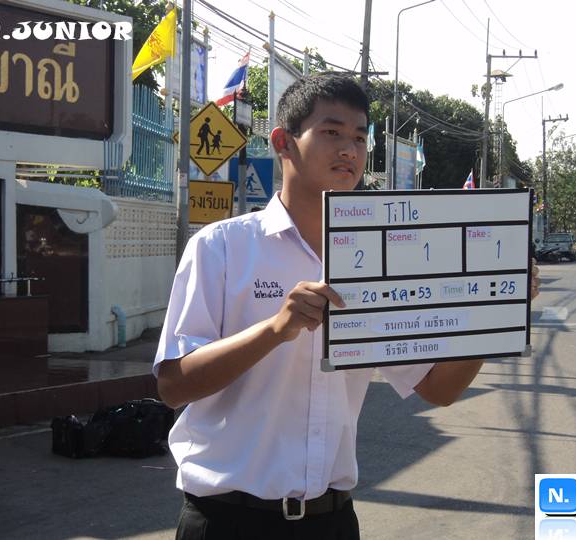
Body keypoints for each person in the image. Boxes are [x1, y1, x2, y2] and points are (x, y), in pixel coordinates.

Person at [154, 73, 540, 539]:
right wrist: (274, 330)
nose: (349, 150)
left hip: (331, 521)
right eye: (331, 132)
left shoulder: (384, 262)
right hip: (226, 520)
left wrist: (497, 310)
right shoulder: (222, 247)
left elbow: (438, 388)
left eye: (359, 137)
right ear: (283, 142)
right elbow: (174, 385)